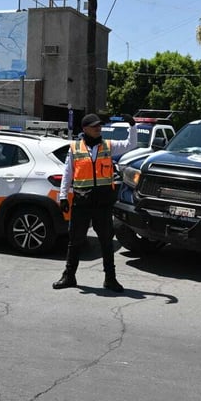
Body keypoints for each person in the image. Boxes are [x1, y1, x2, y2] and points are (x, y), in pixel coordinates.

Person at [52, 113, 138, 293]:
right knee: (75, 241)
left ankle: (110, 279)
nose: (98, 128)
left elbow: (131, 144)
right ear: (85, 129)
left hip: (102, 203)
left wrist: (132, 126)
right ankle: (69, 276)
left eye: (99, 125)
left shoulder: (108, 146)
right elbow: (68, 173)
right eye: (94, 126)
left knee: (106, 242)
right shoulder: (75, 148)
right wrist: (62, 196)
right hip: (82, 202)